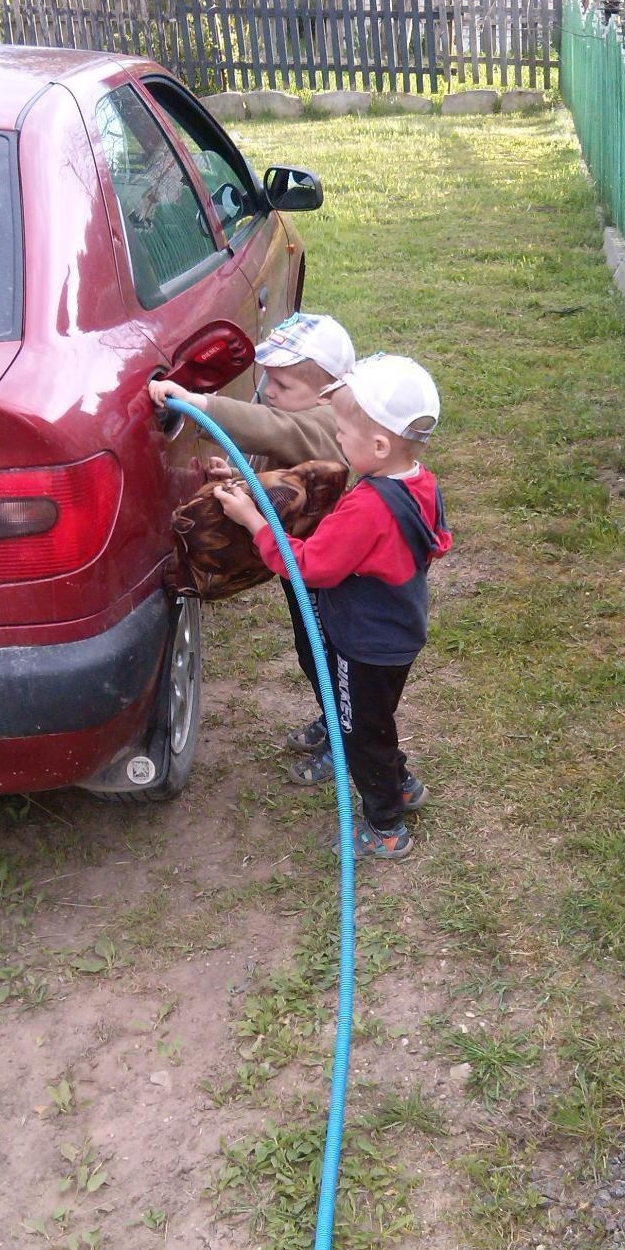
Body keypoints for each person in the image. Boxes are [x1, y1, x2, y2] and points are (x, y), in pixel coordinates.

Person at [215, 353, 452, 861]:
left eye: (343, 430)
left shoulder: (368, 506)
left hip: (363, 644)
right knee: (373, 719)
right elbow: (439, 540)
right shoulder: (420, 482)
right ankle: (402, 783)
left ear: (380, 444)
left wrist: (253, 521)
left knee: (354, 731)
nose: (337, 438)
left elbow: (309, 568)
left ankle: (385, 825)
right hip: (402, 630)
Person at [149, 311, 353, 763]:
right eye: (270, 382)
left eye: (283, 386)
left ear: (327, 391)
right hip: (301, 566)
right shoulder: (311, 418)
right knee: (311, 650)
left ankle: (347, 741)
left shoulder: (331, 423)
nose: (271, 394)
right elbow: (283, 472)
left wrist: (199, 403)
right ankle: (336, 717)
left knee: (333, 656)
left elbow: (279, 431)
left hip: (331, 576)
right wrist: (241, 476)